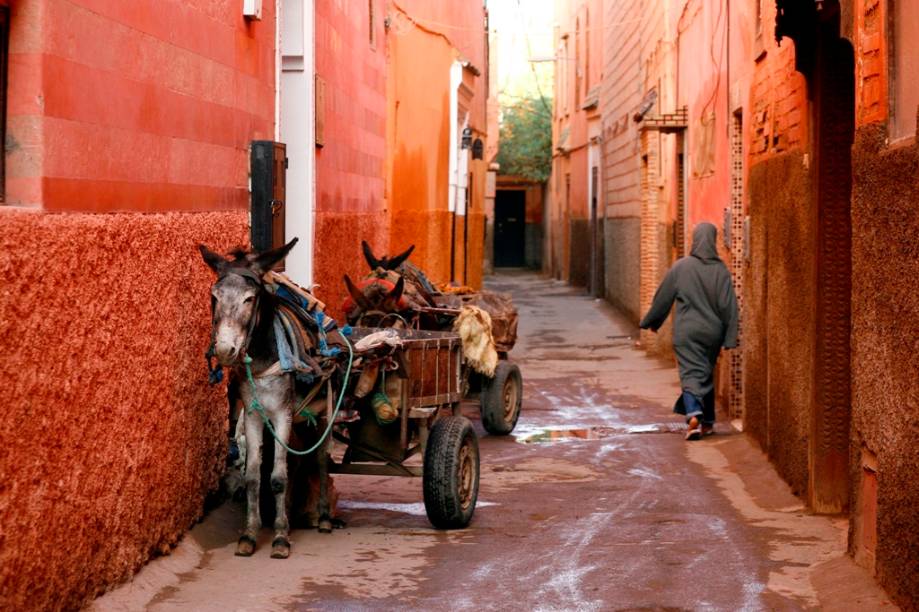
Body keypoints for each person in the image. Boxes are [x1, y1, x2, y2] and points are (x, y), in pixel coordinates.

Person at [639, 222, 738, 440]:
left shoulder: (681, 267)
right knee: (705, 371)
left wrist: (652, 322)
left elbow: (664, 297)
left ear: (694, 240)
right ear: (713, 241)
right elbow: (729, 306)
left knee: (691, 373)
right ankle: (708, 422)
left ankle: (693, 415)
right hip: (713, 333)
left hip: (687, 332)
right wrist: (730, 338)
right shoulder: (721, 270)